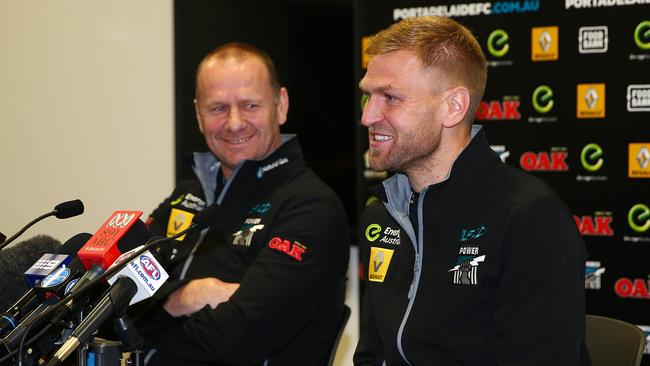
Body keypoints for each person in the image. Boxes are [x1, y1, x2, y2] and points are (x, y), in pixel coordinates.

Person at [354, 16, 590, 365]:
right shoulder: (382, 213)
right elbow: (373, 356)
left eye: (390, 97)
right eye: (368, 97)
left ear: (454, 107)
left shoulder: (529, 217)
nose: (368, 116)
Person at [136, 43, 349, 365]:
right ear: (198, 114)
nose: (234, 123)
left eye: (250, 105)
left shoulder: (311, 207)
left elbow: (236, 338)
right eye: (218, 108)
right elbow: (106, 301)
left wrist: (149, 312)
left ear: (281, 106)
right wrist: (186, 296)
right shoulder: (188, 195)